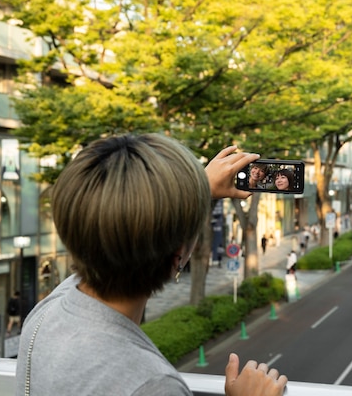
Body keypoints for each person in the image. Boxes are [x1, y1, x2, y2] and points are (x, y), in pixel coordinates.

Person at [15, 133, 287, 396]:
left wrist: (194, 191)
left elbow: (110, 228)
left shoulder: (45, 315)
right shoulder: (151, 383)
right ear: (178, 254)